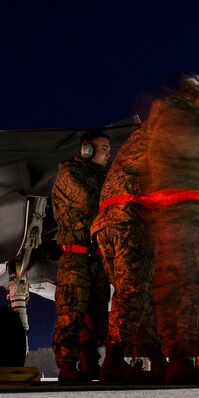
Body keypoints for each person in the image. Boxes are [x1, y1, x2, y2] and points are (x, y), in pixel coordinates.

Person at [144, 74, 199, 384]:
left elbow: (190, 162)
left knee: (186, 286)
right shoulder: (177, 114)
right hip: (181, 213)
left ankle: (184, 356)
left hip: (180, 211)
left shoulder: (172, 118)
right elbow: (194, 142)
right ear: (193, 96)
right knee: (192, 285)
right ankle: (181, 356)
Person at [92, 100, 167, 382]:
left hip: (107, 224)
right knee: (133, 292)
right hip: (129, 221)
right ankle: (112, 360)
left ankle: (157, 359)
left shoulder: (138, 139)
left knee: (135, 294)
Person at [51, 130, 112, 382]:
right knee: (72, 312)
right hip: (74, 257)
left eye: (109, 149)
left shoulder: (105, 178)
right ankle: (67, 366)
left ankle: (89, 363)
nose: (109, 154)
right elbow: (90, 202)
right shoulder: (69, 173)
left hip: (97, 257)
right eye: (104, 149)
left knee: (97, 314)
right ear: (86, 150)